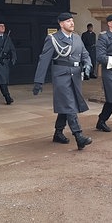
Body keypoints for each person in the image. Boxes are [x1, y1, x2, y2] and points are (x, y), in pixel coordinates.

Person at [32, 12, 93, 150]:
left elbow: (85, 54)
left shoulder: (77, 38)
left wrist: (88, 64)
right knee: (70, 105)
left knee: (66, 105)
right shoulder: (53, 39)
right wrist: (38, 81)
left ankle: (58, 133)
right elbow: (44, 59)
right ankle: (79, 136)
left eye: (72, 20)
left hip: (75, 76)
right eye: (68, 21)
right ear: (61, 24)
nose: (72, 23)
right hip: (61, 76)